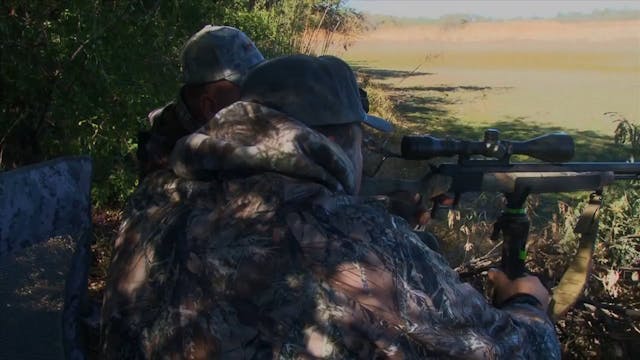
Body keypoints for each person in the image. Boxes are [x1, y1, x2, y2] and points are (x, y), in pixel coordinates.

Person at [101, 54, 560, 359]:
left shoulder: (155, 195)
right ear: (338, 140)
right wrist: (526, 304)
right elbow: (518, 352)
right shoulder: (358, 239)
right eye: (361, 140)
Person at [136, 25, 264, 178]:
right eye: (247, 87)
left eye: (260, 80)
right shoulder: (171, 176)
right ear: (208, 107)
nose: (260, 95)